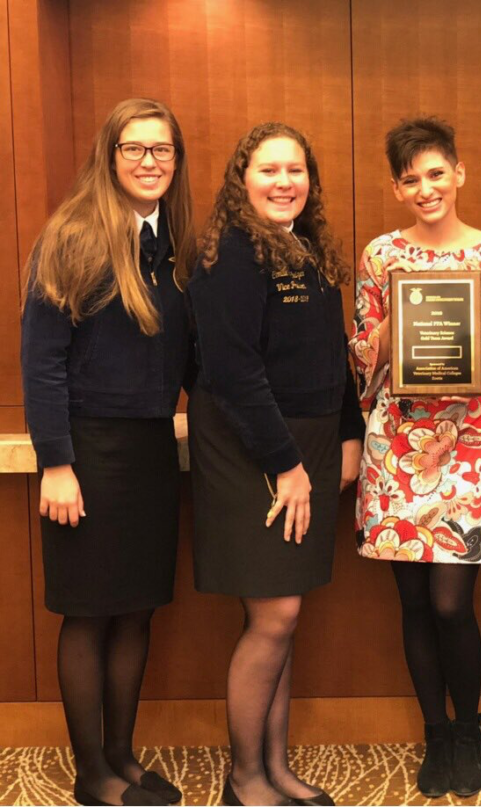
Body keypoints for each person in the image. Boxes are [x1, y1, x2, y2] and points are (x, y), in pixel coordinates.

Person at [21, 97, 196, 807]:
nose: (150, 162)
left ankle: (122, 755)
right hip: (87, 455)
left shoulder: (175, 243)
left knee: (137, 608)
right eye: (135, 148)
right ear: (110, 155)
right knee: (89, 610)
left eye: (162, 150)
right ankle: (91, 771)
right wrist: (55, 462)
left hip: (151, 452)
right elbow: (42, 361)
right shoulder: (74, 235)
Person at [349, 117, 481, 798]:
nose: (424, 187)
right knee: (414, 602)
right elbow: (362, 356)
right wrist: (398, 310)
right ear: (397, 187)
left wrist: (480, 365)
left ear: (459, 172)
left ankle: (470, 726)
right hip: (396, 446)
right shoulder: (378, 256)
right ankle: (436, 731)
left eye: (435, 173)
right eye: (410, 178)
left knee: (452, 602)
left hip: (467, 446)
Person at [188, 122, 364, 807]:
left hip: (309, 444)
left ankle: (277, 766)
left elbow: (334, 351)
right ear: (242, 179)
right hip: (251, 446)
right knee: (274, 612)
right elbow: (231, 372)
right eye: (269, 169)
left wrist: (348, 432)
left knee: (285, 615)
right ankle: (245, 778)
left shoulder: (305, 245)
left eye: (297, 169)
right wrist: (287, 464)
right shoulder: (230, 252)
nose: (285, 180)